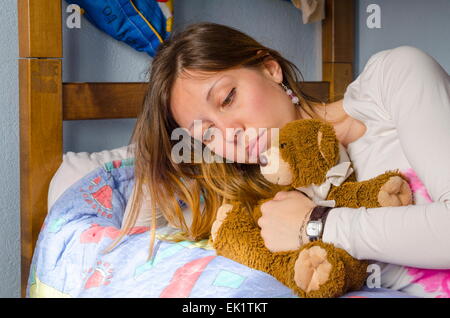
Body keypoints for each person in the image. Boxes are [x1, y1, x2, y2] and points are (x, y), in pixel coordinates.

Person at [115, 22, 450, 298]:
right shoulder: (275, 207)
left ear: (270, 68)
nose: (231, 133)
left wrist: (316, 224)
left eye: (228, 98)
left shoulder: (394, 77)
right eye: (208, 135)